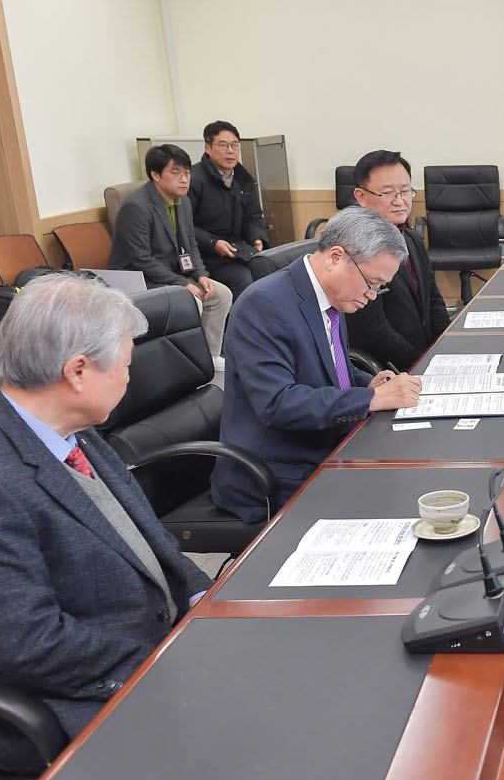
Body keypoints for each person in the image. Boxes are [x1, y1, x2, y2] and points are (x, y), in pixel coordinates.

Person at [0, 275, 212, 774]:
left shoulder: (69, 428)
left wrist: (206, 603)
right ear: (78, 371)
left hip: (136, 645)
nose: (128, 379)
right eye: (125, 366)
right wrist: (171, 663)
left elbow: (149, 542)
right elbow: (32, 645)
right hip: (52, 703)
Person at [213, 207, 423, 522]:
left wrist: (365, 382)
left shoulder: (329, 294)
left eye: (380, 287)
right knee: (399, 501)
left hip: (324, 442)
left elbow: (325, 363)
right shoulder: (263, 305)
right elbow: (277, 403)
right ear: (336, 257)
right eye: (372, 282)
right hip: (277, 469)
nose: (373, 295)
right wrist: (370, 399)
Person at [109, 143, 232, 365]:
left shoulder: (183, 201)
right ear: (155, 175)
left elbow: (191, 244)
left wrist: (201, 274)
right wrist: (182, 283)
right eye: (176, 173)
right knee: (191, 302)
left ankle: (210, 356)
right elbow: (141, 259)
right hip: (140, 278)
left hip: (170, 274)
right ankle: (187, 363)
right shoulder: (136, 207)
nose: (184, 180)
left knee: (221, 294)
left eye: (187, 173)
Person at [345, 149, 451, 373]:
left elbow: (434, 304)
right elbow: (373, 333)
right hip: (388, 371)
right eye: (387, 193)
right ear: (361, 196)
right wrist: (422, 364)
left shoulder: (411, 239)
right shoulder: (357, 251)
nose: (400, 201)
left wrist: (447, 349)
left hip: (425, 360)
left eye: (405, 191)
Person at [187, 119, 268, 299]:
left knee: (270, 270)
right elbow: (184, 226)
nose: (230, 151)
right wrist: (213, 243)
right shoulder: (194, 180)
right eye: (223, 145)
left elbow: (254, 216)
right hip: (206, 256)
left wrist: (257, 238)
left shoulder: (243, 178)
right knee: (243, 279)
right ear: (208, 148)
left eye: (234, 145)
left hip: (238, 250)